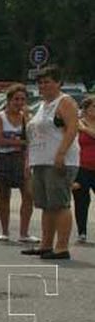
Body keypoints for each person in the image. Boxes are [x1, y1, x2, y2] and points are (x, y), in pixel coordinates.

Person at [22, 67, 81, 260]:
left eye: (47, 82)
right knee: (46, 205)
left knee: (60, 204)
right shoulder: (41, 105)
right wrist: (29, 161)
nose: (43, 86)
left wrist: (61, 154)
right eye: (40, 83)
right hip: (40, 160)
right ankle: (46, 244)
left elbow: (72, 128)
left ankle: (61, 247)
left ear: (58, 83)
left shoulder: (64, 102)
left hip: (59, 160)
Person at [0, 86, 34, 243]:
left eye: (22, 99)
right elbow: (0, 141)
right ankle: (5, 231)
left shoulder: (26, 118)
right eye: (16, 99)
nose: (19, 102)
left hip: (22, 159)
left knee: (28, 195)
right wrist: (21, 141)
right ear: (9, 100)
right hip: (4, 159)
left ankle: (24, 233)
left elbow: (32, 140)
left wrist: (22, 145)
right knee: (4, 196)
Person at [73, 97, 95, 243]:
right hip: (81, 167)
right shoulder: (76, 123)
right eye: (93, 106)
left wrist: (85, 129)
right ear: (86, 109)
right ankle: (82, 232)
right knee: (82, 200)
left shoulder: (82, 126)